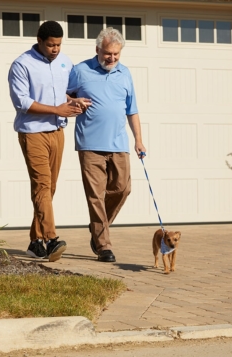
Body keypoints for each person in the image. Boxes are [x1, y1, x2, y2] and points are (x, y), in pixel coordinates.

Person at [8, 21, 91, 262]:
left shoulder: (65, 61)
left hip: (57, 132)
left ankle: (35, 242)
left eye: (58, 44)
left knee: (49, 188)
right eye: (50, 45)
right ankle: (51, 239)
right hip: (32, 132)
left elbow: (65, 93)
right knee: (42, 185)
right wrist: (57, 109)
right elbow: (22, 102)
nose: (55, 49)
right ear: (40, 40)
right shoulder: (22, 64)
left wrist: (74, 102)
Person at [67, 27, 146, 263]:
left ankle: (98, 228)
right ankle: (103, 246)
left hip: (119, 143)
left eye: (116, 55)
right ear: (97, 50)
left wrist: (138, 140)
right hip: (89, 144)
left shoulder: (125, 73)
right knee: (96, 196)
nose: (111, 59)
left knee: (123, 189)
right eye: (107, 54)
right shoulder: (80, 71)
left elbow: (132, 110)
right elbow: (61, 96)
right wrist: (74, 100)